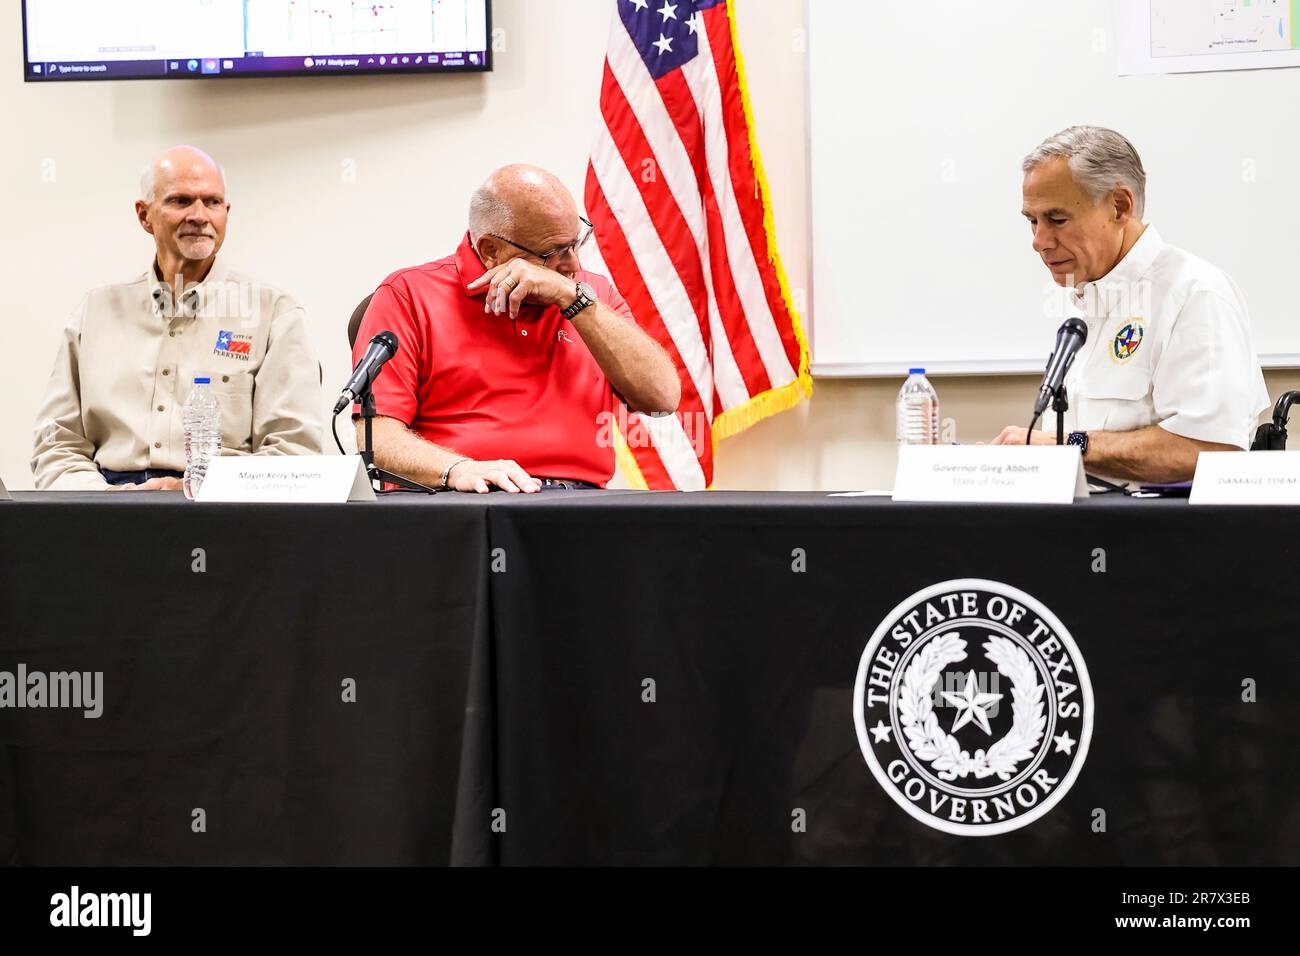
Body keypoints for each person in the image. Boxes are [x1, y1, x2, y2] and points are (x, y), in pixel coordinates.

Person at [352, 164, 680, 493]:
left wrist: (573, 299)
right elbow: (377, 440)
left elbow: (661, 400)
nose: (574, 265)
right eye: (554, 253)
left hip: (577, 504)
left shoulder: (592, 293)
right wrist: (457, 469)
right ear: (490, 250)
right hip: (461, 497)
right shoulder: (407, 294)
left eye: (577, 242)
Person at [32, 146, 324, 490]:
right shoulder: (95, 311)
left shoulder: (275, 313)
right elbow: (56, 444)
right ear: (144, 216)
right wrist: (112, 501)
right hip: (106, 508)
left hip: (225, 511)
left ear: (226, 213)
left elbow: (295, 453)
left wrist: (196, 489)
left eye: (213, 202)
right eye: (181, 201)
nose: (200, 215)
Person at [993, 126, 1269, 483]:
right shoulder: (1088, 303)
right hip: (1085, 531)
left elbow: (1212, 450)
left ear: (1120, 207)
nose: (1039, 241)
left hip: (1164, 536)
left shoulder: (1195, 294)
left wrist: (1066, 445)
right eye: (1032, 221)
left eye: (1056, 219)